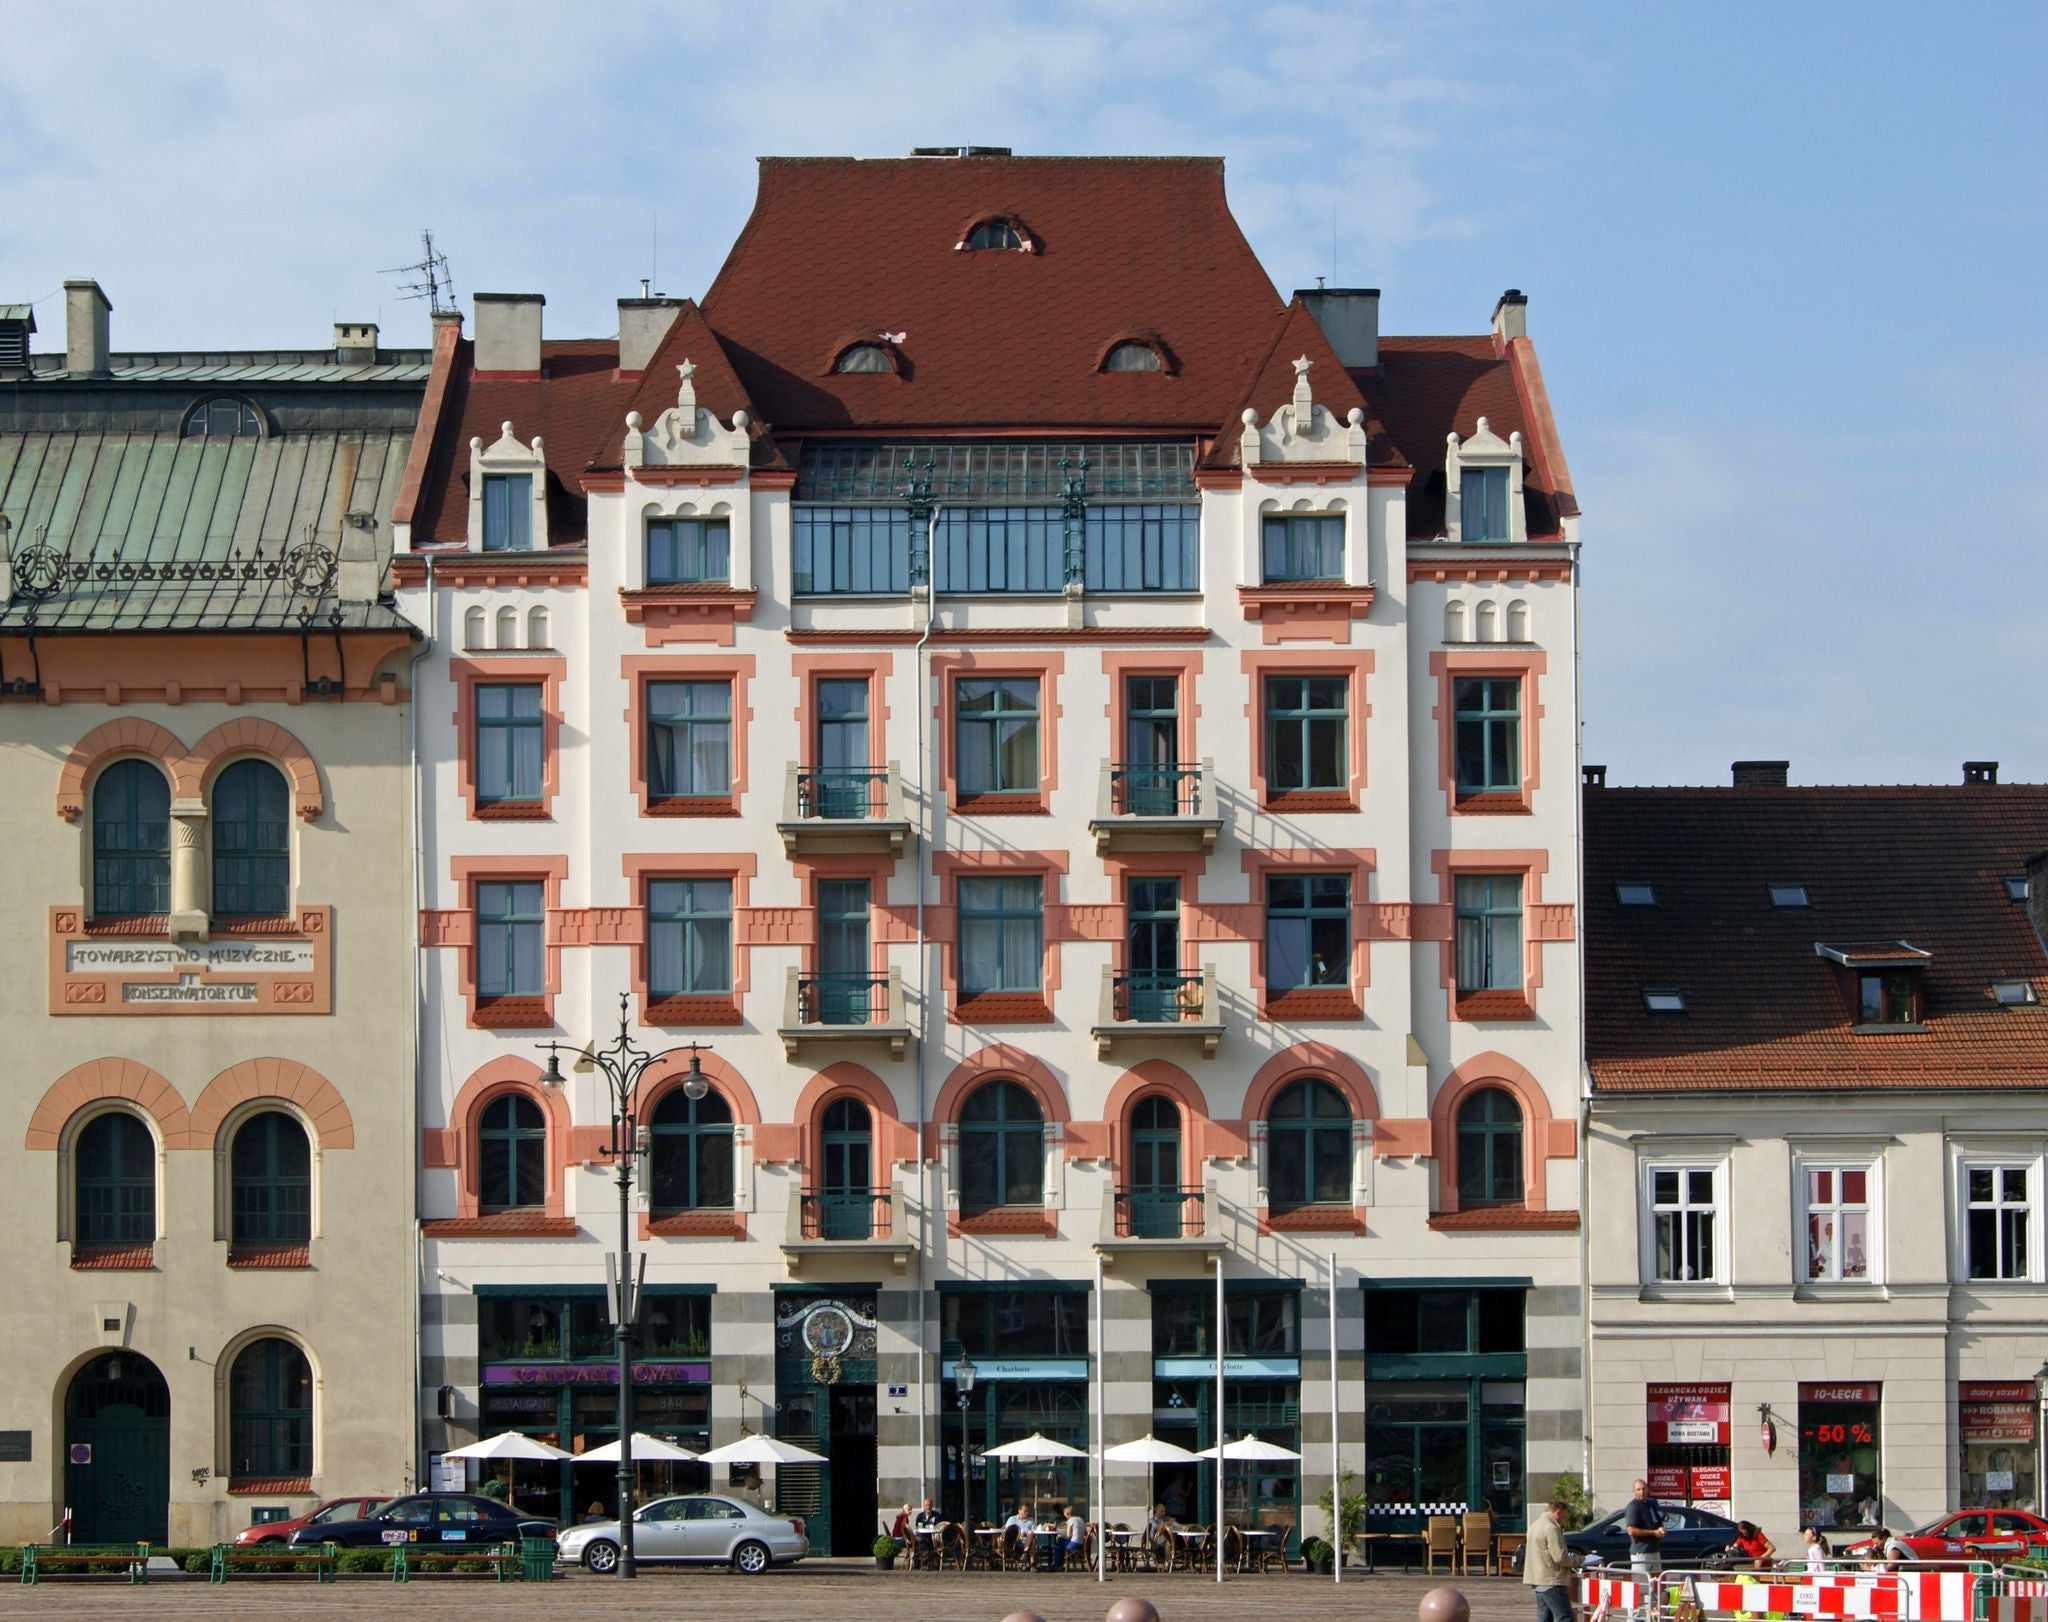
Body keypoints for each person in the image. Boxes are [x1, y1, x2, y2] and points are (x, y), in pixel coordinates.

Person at [1524, 1496, 1575, 1622]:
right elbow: (1560, 1558)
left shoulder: (1534, 1525)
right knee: (1565, 1617)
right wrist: (1580, 1560)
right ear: (1558, 1512)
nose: (1563, 1521)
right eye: (1563, 1517)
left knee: (1544, 1618)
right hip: (1552, 1581)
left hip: (1537, 1580)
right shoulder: (1551, 1528)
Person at [1624, 1478, 1666, 1618]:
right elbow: (1631, 1531)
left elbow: (1658, 1521)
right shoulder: (1632, 1507)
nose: (1641, 1492)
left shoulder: (1651, 1504)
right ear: (1633, 1491)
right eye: (1638, 1489)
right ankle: (1634, 1618)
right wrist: (1653, 1533)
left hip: (1654, 1551)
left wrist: (1660, 1529)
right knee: (1639, 1590)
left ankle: (1650, 1617)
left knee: (1655, 1589)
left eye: (1643, 1489)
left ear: (1648, 1489)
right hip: (1640, 1553)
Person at [1058, 1504, 1086, 1571]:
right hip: (1081, 1544)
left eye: (1064, 1514)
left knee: (1058, 1546)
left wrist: (1062, 1534)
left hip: (1073, 1545)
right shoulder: (1080, 1519)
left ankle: (1058, 1565)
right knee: (1061, 1543)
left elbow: (1068, 1535)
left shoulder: (1070, 1521)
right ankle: (1060, 1563)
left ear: (1067, 1514)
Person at [1145, 1502, 1173, 1569]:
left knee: (1170, 1541)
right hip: (1155, 1541)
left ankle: (1170, 1561)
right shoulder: (1152, 1520)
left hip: (1165, 1539)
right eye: (1161, 1511)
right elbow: (1158, 1527)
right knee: (1167, 1543)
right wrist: (1169, 1522)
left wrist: (1186, 1527)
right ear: (1156, 1511)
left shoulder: (1165, 1519)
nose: (1163, 1513)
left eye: (1164, 1511)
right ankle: (1166, 1561)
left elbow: (1177, 1525)